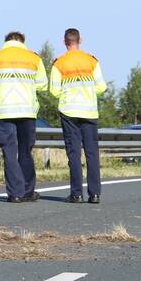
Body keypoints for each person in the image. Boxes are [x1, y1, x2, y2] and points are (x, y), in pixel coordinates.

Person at [0, 31, 48, 203]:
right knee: (26, 151)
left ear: (6, 41)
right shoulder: (33, 58)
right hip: (27, 111)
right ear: (22, 41)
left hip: (5, 111)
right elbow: (42, 85)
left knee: (10, 153)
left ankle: (15, 194)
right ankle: (27, 191)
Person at [49, 28, 107, 203]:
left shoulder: (59, 63)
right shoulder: (91, 61)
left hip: (69, 111)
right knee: (92, 153)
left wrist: (68, 96)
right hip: (89, 110)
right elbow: (101, 86)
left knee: (74, 153)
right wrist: (88, 94)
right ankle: (95, 194)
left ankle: (76, 194)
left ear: (64, 42)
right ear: (80, 40)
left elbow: (53, 90)